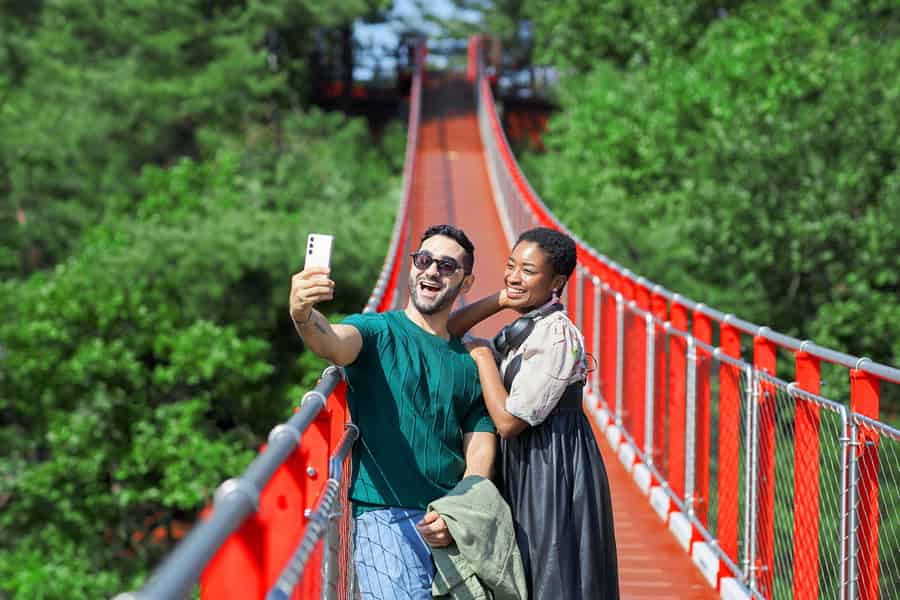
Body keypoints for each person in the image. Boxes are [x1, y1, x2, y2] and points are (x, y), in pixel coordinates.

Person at [289, 224, 497, 600]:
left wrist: (460, 514)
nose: (432, 270)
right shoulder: (375, 332)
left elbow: (480, 447)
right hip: (385, 515)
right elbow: (331, 342)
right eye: (424, 260)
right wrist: (303, 313)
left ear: (466, 283)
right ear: (412, 267)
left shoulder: (467, 361)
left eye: (448, 266)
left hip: (448, 524)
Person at [449, 226, 620, 599]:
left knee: (550, 572)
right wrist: (504, 298)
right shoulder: (528, 324)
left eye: (528, 271)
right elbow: (450, 330)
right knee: (528, 569)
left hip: (552, 467)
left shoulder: (557, 335)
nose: (513, 276)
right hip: (529, 461)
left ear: (556, 282)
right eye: (511, 266)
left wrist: (482, 359)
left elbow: (510, 423)